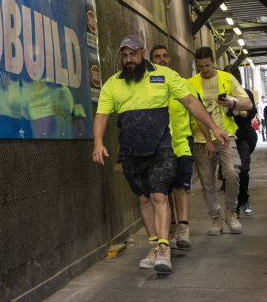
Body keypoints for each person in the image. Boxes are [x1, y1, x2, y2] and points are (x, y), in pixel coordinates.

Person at [92, 36, 229, 275]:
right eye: (124, 55)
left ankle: (165, 249)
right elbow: (102, 115)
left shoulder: (164, 76)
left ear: (142, 53)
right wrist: (98, 142)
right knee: (144, 199)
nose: (128, 60)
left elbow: (191, 102)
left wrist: (215, 129)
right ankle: (154, 246)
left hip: (160, 150)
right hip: (131, 152)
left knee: (158, 195)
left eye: (133, 54)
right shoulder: (112, 84)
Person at [187, 47, 252, 235]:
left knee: (232, 173)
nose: (204, 70)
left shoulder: (226, 78)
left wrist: (232, 103)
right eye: (200, 66)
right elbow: (193, 112)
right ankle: (215, 218)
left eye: (207, 65)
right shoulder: (191, 83)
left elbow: (247, 104)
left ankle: (230, 213)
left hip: (226, 136)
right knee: (207, 181)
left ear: (213, 62)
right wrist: (207, 139)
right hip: (201, 138)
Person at [150, 45, 201, 250]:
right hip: (157, 145)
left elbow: (197, 112)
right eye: (157, 57)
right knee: (163, 190)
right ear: (151, 61)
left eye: (165, 56)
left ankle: (183, 229)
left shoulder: (181, 84)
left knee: (180, 187)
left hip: (181, 143)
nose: (162, 59)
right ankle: (169, 229)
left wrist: (208, 137)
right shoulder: (148, 86)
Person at [225, 66, 258, 217]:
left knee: (243, 169)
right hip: (225, 137)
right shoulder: (221, 96)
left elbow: (252, 113)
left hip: (243, 136)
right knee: (231, 174)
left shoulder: (245, 94)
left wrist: (236, 108)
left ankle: (244, 200)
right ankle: (233, 208)